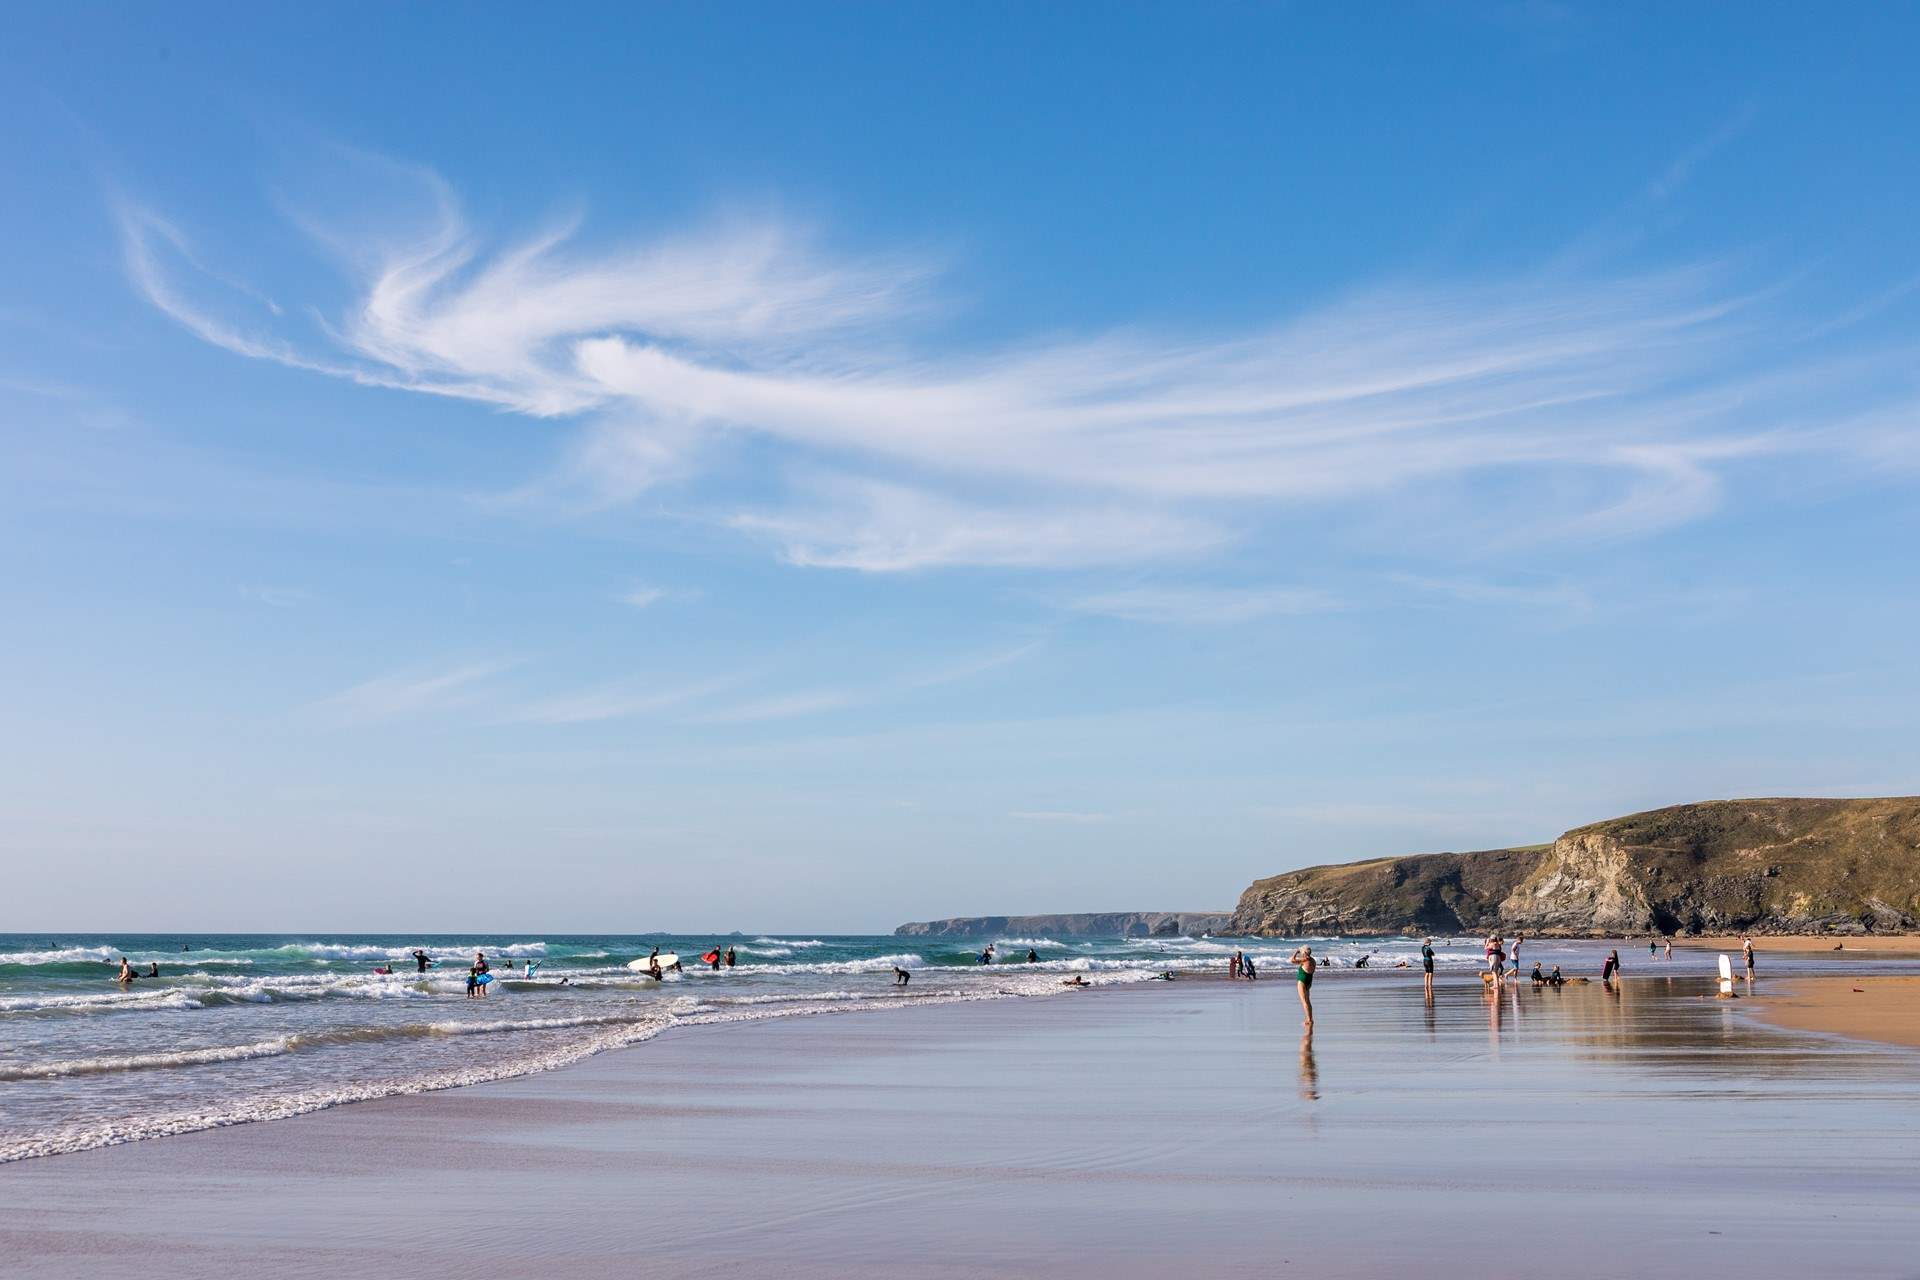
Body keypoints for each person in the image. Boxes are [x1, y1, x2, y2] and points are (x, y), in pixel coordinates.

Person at [1289, 946, 1316, 1028]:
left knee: (1304, 1001)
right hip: (1309, 980)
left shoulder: (1305, 960)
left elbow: (1292, 960)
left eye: (1302, 952)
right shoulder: (1312, 960)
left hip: (1302, 981)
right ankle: (1310, 1019)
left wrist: (1296, 952)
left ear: (1304, 953)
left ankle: (1309, 1020)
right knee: (1308, 1001)